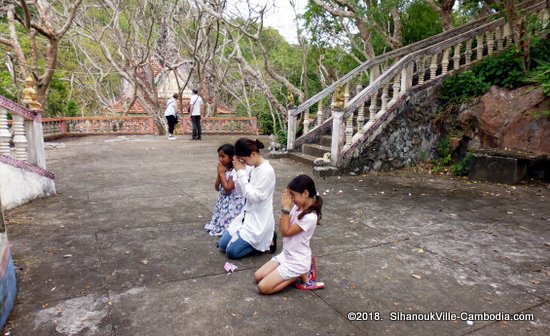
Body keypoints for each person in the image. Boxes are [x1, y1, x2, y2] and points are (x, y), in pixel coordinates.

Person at [254, 174, 325, 295]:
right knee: (258, 276)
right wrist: (286, 211)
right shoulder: (298, 207)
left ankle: (300, 273)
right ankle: (301, 272)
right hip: (286, 254)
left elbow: (285, 232)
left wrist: (285, 209)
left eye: (293, 195)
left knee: (263, 288)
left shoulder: (310, 217)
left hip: (296, 261)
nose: (291, 199)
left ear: (305, 193)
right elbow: (283, 227)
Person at [218, 138, 276, 259]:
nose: (244, 163)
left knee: (232, 252)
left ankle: (267, 240)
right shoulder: (252, 166)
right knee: (222, 245)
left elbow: (253, 197)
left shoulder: (266, 171)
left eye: (244, 159)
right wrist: (238, 173)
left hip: (259, 218)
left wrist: (241, 173)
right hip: (246, 215)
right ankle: (262, 239)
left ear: (253, 154)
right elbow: (240, 192)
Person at [204, 144, 245, 237]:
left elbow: (228, 189)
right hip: (224, 200)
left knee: (228, 224)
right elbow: (217, 187)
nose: (220, 159)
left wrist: (222, 174)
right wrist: (219, 174)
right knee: (220, 219)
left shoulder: (235, 171)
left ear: (231, 157)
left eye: (223, 156)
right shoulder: (224, 168)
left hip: (233, 202)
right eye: (219, 156)